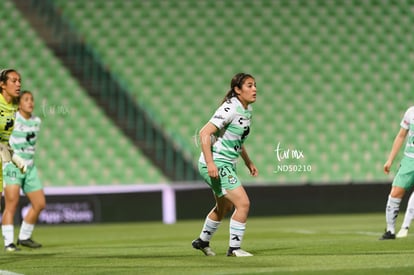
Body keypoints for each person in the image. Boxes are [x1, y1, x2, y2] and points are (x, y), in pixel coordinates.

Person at [192, 73, 258, 256]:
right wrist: (211, 162)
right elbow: (204, 133)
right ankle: (234, 249)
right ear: (237, 90)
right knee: (243, 204)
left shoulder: (246, 110)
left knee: (225, 207)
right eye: (250, 86)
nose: (255, 89)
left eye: (255, 85)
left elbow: (237, 140)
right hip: (217, 163)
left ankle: (202, 241)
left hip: (226, 162)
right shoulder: (230, 108)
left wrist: (248, 161)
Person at [2, 90, 44, 251]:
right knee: (11, 204)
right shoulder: (12, 118)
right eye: (26, 99)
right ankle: (8, 243)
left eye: (32, 99)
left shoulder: (37, 121)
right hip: (13, 166)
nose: (30, 102)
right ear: (19, 104)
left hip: (30, 168)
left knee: (39, 204)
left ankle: (24, 237)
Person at [380, 105, 414, 240]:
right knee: (396, 192)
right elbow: (401, 136)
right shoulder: (411, 112)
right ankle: (390, 230)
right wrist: (390, 160)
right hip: (409, 159)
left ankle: (405, 226)